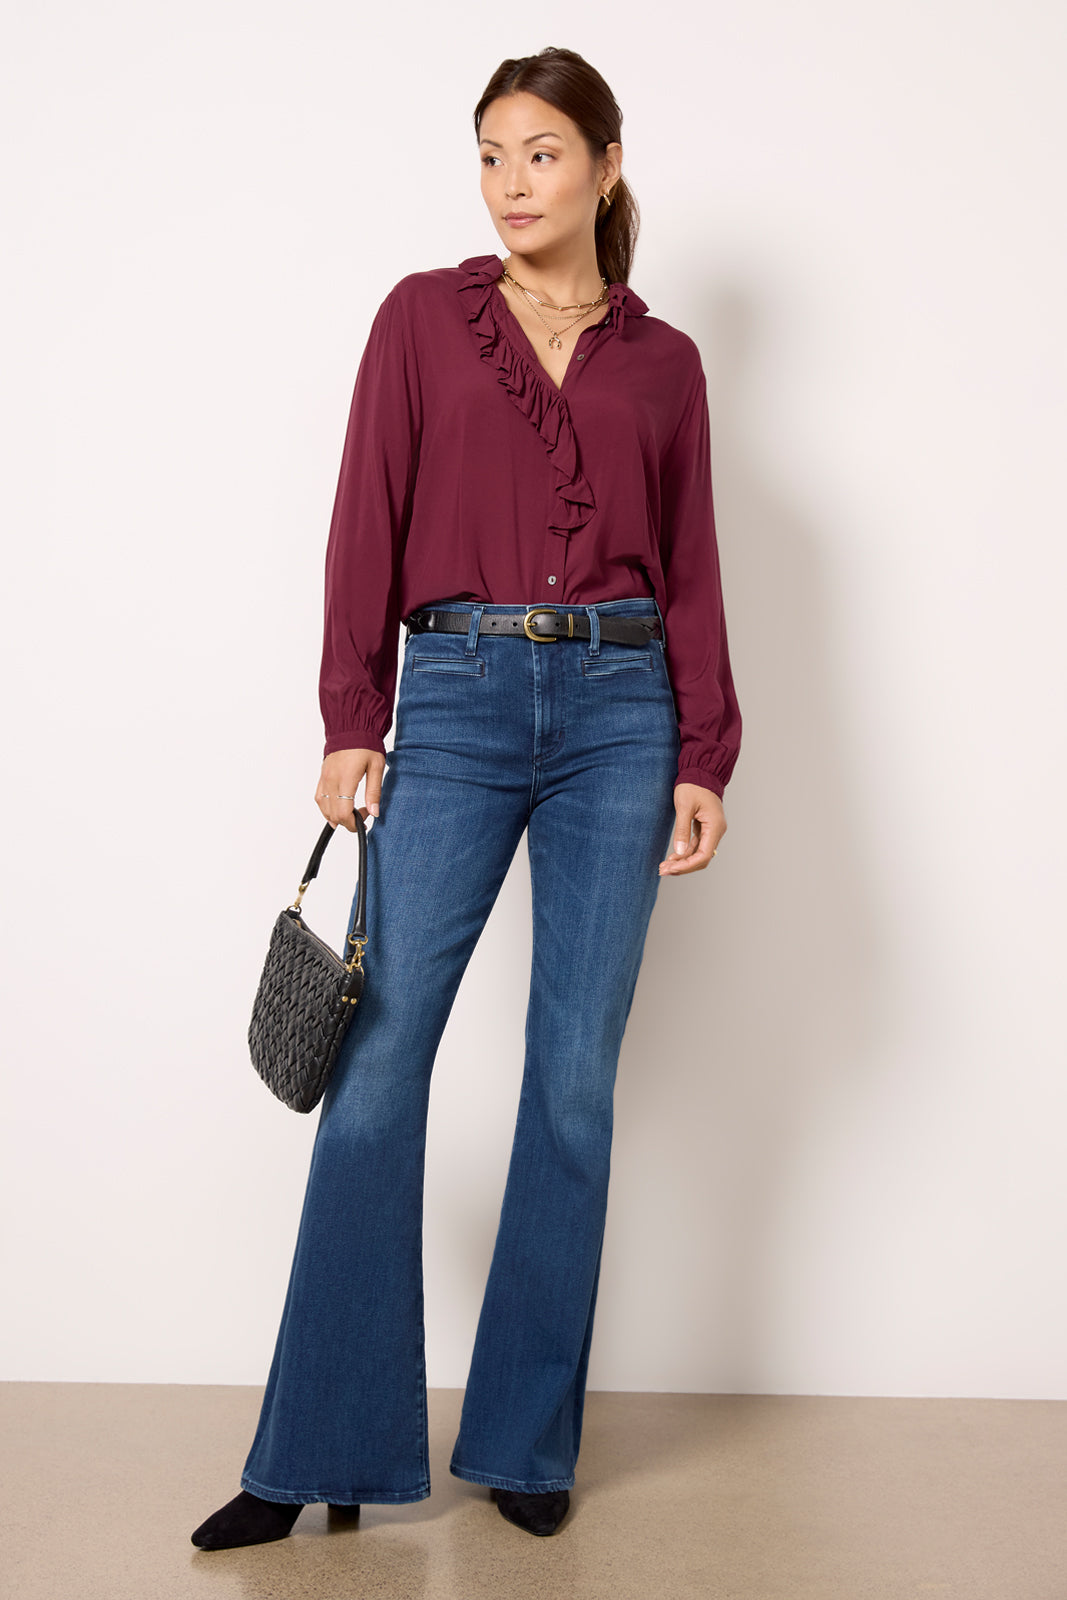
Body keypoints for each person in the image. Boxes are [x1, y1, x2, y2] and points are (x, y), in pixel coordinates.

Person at [191, 45, 741, 1551]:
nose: (511, 182)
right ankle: (316, 1450)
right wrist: (350, 714)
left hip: (623, 712)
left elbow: (693, 569)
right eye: (491, 153)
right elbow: (363, 515)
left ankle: (524, 1441)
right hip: (457, 697)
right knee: (376, 1064)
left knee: (571, 1080)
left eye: (542, 152)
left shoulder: (667, 364)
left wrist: (705, 752)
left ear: (606, 168)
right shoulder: (424, 322)